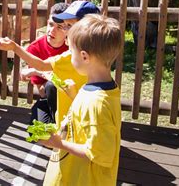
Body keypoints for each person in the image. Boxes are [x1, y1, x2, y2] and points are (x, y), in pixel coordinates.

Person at [40, 14, 122, 185]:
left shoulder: (97, 103)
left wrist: (60, 143)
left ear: (84, 56)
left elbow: (101, 154)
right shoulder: (100, 86)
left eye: (70, 52)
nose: (69, 57)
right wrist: (74, 96)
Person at [0, 0, 100, 124]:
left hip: (88, 110)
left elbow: (41, 66)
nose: (54, 30)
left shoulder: (78, 55)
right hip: (64, 105)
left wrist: (35, 70)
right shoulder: (66, 56)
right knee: (40, 131)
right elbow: (42, 69)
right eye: (51, 24)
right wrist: (15, 48)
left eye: (66, 26)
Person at [21, 2, 69, 124]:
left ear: (68, 29)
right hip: (50, 99)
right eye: (50, 24)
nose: (51, 31)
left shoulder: (74, 47)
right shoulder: (34, 49)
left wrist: (36, 71)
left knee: (52, 85)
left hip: (73, 100)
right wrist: (38, 71)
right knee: (37, 131)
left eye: (59, 27)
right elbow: (42, 90)